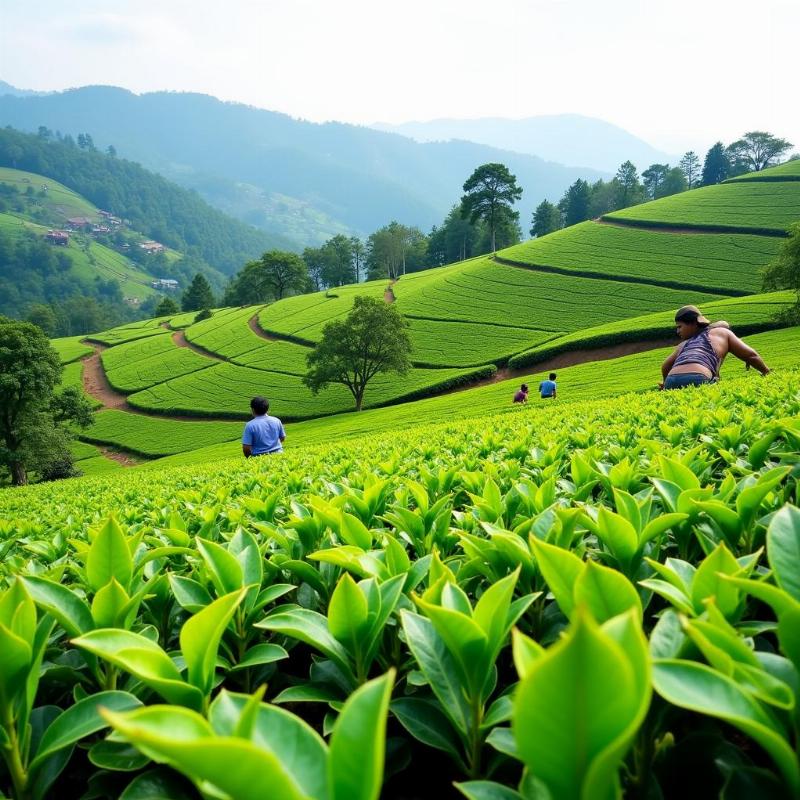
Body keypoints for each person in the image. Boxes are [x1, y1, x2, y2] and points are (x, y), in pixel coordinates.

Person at [660, 305, 770, 390]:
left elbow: (665, 366)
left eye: (680, 326)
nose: (678, 331)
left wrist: (665, 385)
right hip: (698, 377)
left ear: (694, 323)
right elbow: (751, 355)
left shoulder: (684, 344)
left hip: (672, 380)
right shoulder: (722, 333)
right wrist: (766, 372)